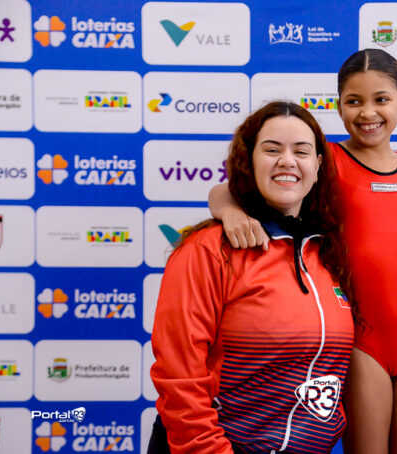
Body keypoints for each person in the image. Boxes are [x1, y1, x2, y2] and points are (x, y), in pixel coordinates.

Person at [209, 49, 397, 454]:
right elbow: (225, 190)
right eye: (354, 101)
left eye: (381, 99)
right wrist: (229, 212)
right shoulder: (327, 160)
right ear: (338, 106)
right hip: (362, 343)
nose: (368, 112)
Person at [150, 102, 355, 454]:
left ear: (318, 165)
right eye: (272, 150)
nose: (287, 161)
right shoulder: (208, 250)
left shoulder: (328, 254)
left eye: (301, 151)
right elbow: (180, 378)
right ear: (250, 160)